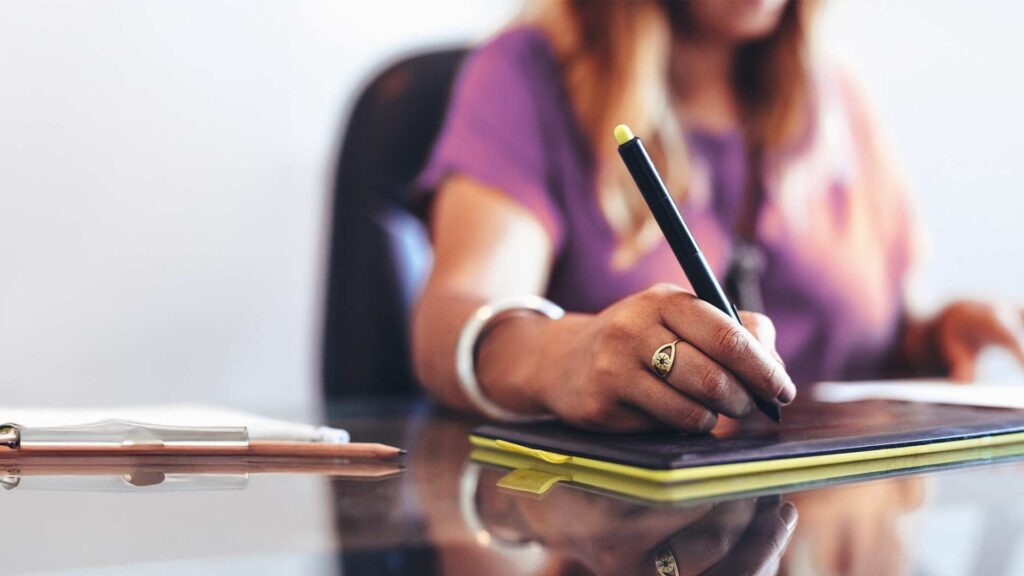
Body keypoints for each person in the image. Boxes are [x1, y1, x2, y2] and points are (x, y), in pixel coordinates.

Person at [411, 0, 1024, 431]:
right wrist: (562, 355)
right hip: (632, 538)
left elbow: (884, 338)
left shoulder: (839, 95)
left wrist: (936, 339)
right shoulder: (527, 74)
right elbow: (455, 314)